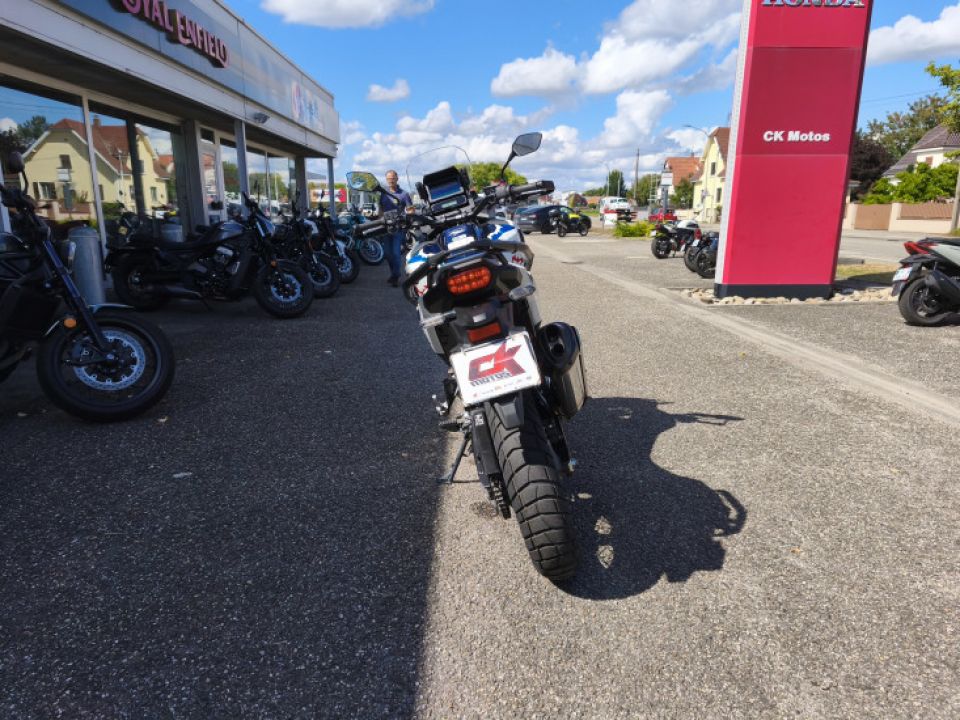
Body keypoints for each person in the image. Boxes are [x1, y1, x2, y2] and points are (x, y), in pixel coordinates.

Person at [380, 169, 412, 287]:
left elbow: (410, 209)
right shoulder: (383, 193)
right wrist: (379, 219)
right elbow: (381, 208)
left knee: (395, 253)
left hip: (398, 228)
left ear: (397, 179)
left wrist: (407, 216)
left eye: (393, 178)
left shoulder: (404, 194)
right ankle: (394, 274)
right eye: (389, 179)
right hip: (385, 228)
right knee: (388, 254)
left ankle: (396, 276)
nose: (391, 180)